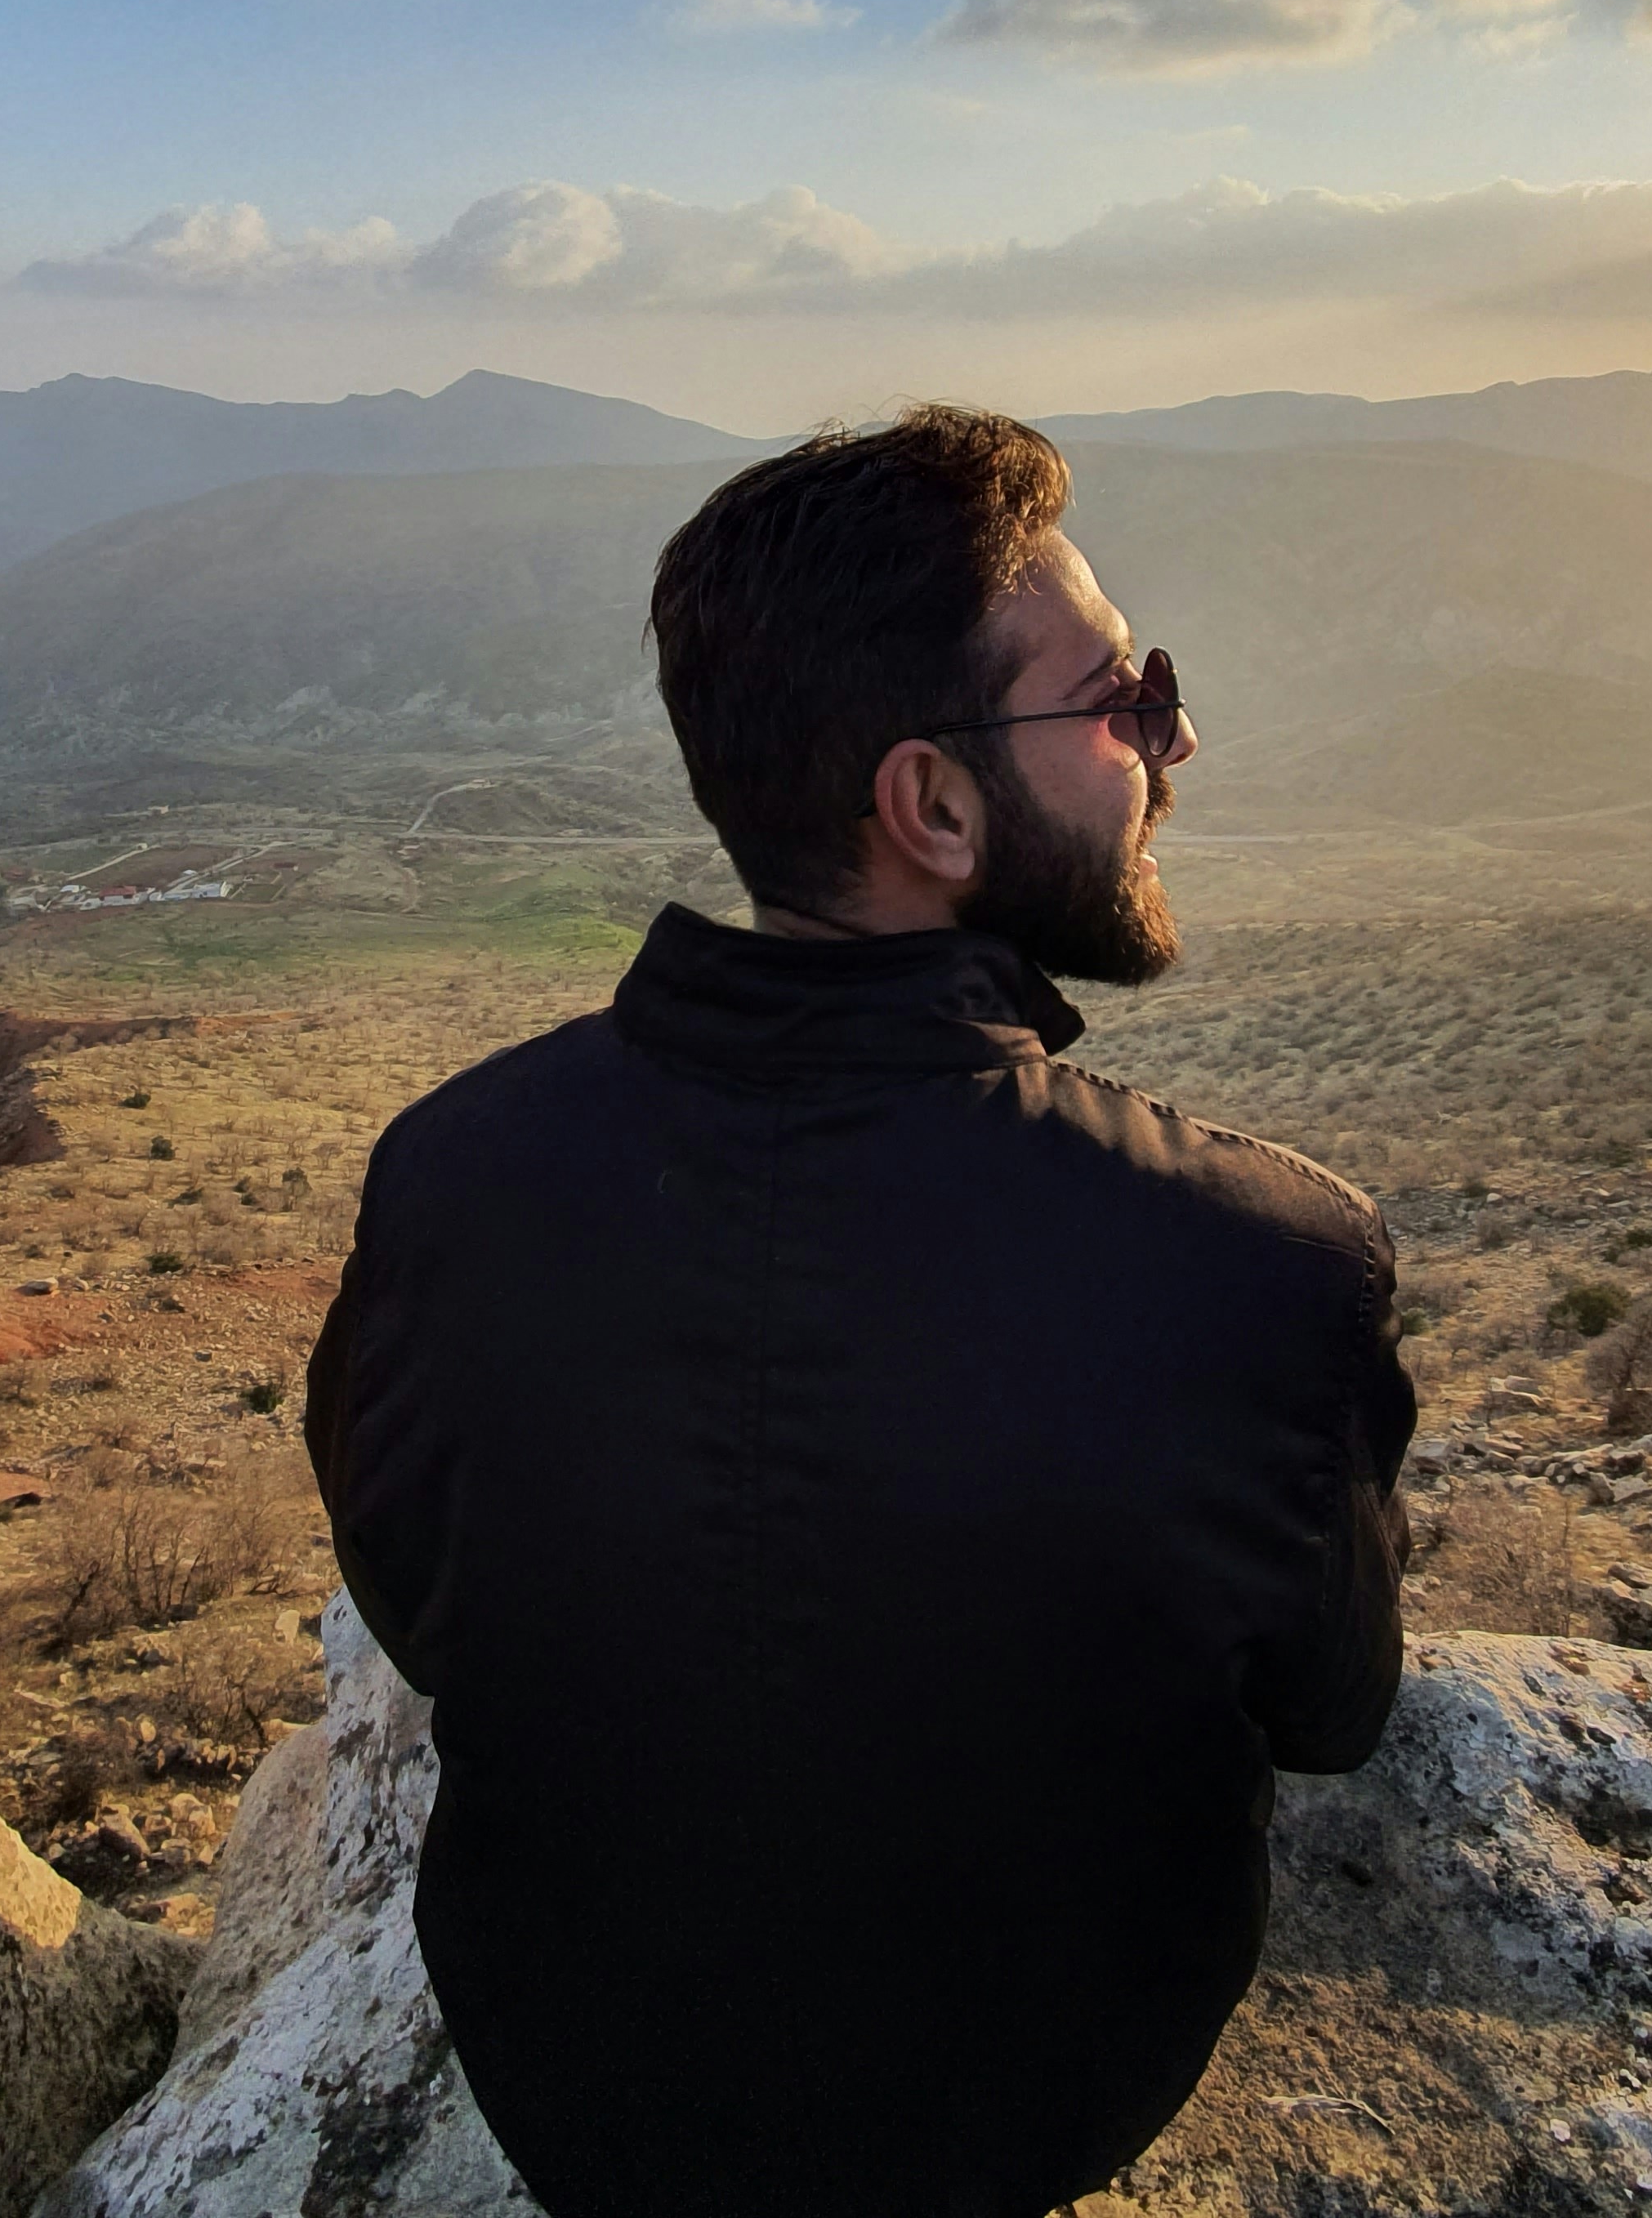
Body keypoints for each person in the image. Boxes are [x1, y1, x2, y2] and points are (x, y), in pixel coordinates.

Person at [306, 407, 1415, 2218]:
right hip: (1032, 2130)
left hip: (571, 2102)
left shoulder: (451, 1179)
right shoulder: (1262, 1270)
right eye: (1124, 700)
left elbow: (419, 1609)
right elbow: (1332, 1708)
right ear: (935, 807)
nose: (1175, 736)